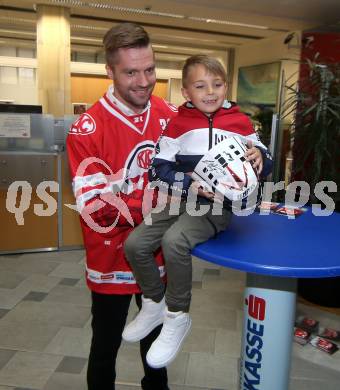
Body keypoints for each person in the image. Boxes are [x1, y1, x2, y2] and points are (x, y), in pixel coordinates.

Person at [122, 54, 273, 368]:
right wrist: (188, 182)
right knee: (135, 245)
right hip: (182, 199)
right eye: (201, 85)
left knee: (174, 241)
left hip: (217, 205)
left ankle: (176, 316)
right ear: (186, 91)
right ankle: (154, 302)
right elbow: (157, 169)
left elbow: (265, 161)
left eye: (217, 84)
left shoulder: (240, 121)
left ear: (226, 86)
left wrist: (260, 156)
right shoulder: (178, 124)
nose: (210, 92)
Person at [66, 22, 177, 390]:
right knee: (105, 349)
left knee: (157, 350)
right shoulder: (87, 128)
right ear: (109, 70)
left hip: (157, 256)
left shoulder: (169, 115)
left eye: (149, 69)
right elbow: (97, 210)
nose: (144, 81)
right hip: (110, 262)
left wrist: (252, 149)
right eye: (131, 72)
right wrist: (162, 200)